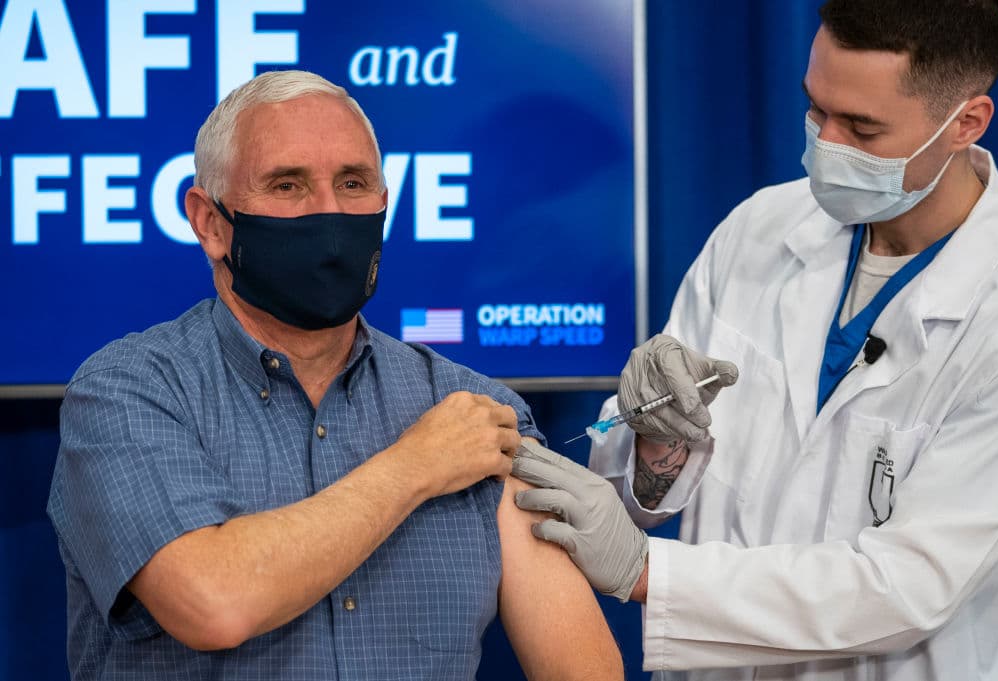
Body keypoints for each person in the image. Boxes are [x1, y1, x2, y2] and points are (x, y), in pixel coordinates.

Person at [47, 69, 623, 681]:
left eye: (353, 182)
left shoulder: (474, 410)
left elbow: (583, 669)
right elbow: (210, 601)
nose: (328, 214)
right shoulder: (128, 393)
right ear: (211, 223)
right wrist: (416, 466)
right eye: (287, 185)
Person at [512, 1, 998, 679]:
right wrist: (657, 451)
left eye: (863, 129)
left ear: (967, 122)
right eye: (817, 110)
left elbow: (907, 585)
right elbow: (639, 485)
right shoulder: (761, 228)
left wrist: (647, 573)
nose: (827, 144)